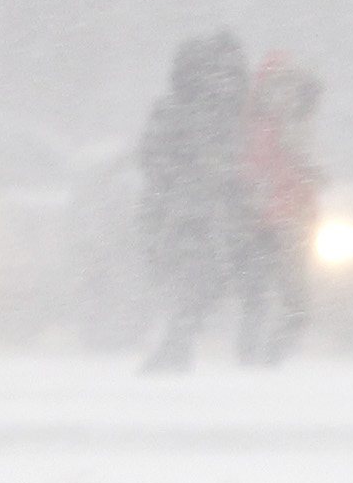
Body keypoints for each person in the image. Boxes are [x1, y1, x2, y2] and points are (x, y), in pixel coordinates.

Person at [136, 32, 252, 374]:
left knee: (199, 283)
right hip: (189, 214)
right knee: (196, 281)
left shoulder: (225, 116)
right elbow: (154, 158)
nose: (222, 82)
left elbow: (153, 157)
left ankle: (178, 342)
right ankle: (178, 341)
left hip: (199, 213)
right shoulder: (187, 114)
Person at [234, 53, 324, 365]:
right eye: (281, 85)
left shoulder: (266, 124)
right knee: (292, 305)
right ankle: (263, 361)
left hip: (274, 221)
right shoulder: (270, 128)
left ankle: (256, 358)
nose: (287, 94)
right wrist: (306, 173)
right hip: (280, 222)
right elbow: (267, 172)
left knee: (263, 299)